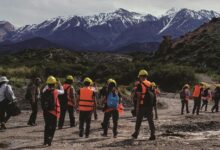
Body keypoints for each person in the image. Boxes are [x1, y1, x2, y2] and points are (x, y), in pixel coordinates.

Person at [132, 69, 156, 140]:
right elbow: (154, 95)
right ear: (146, 76)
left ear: (140, 76)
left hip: (142, 105)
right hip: (149, 106)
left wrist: (137, 107)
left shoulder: (140, 85)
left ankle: (136, 133)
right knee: (150, 120)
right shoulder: (151, 84)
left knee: (139, 120)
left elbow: (139, 97)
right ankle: (153, 134)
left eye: (139, 77)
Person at [41, 76, 64, 146]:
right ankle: (49, 139)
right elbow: (63, 91)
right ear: (54, 84)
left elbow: (43, 89)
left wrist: (47, 84)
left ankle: (45, 141)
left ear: (48, 84)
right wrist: (60, 84)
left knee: (47, 126)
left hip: (46, 111)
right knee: (53, 127)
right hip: (53, 112)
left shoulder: (44, 91)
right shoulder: (56, 91)